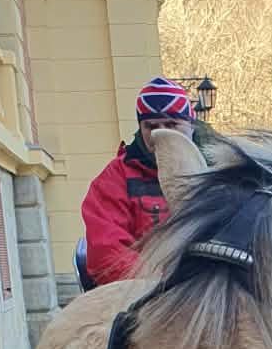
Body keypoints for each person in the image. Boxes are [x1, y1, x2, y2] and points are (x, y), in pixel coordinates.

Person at [80, 78, 198, 286]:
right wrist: (161, 282)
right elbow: (106, 254)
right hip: (145, 292)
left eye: (172, 124)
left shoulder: (221, 169)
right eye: (151, 126)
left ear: (191, 125)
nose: (160, 134)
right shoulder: (115, 177)